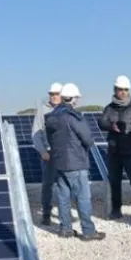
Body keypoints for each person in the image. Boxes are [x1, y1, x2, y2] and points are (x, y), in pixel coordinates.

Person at [44, 83, 106, 241]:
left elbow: (51, 139)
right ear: (72, 99)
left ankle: (65, 229)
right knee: (82, 197)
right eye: (76, 98)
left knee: (63, 196)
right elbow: (88, 139)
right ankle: (88, 231)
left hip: (59, 163)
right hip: (76, 163)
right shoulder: (74, 117)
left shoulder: (51, 117)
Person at [98, 75, 131, 224]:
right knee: (115, 181)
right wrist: (110, 126)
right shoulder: (109, 108)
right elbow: (101, 122)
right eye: (120, 89)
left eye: (126, 89)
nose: (123, 92)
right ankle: (116, 209)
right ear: (115, 90)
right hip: (114, 151)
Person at [31, 82, 64, 225]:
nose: (54, 97)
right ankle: (46, 213)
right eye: (52, 94)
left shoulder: (67, 110)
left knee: (65, 185)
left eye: (57, 94)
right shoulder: (42, 110)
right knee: (47, 185)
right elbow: (36, 133)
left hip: (64, 155)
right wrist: (43, 151)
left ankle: (65, 215)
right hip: (48, 155)